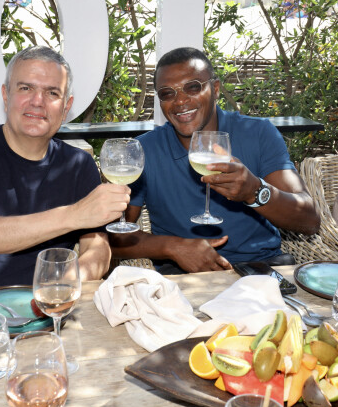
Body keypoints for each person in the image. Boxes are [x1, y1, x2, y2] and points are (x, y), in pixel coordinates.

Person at [0, 46, 130, 293]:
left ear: (66, 106)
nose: (37, 101)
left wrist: (65, 283)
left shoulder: (78, 164)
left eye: (52, 92)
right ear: (6, 95)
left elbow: (97, 249)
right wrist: (75, 214)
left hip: (42, 309)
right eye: (25, 88)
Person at [110, 47, 320, 273]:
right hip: (182, 277)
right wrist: (174, 247)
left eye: (193, 87)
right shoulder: (145, 149)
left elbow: (309, 221)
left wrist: (254, 191)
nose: (180, 101)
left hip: (258, 271)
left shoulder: (258, 134)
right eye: (167, 93)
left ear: (216, 89)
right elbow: (116, 238)